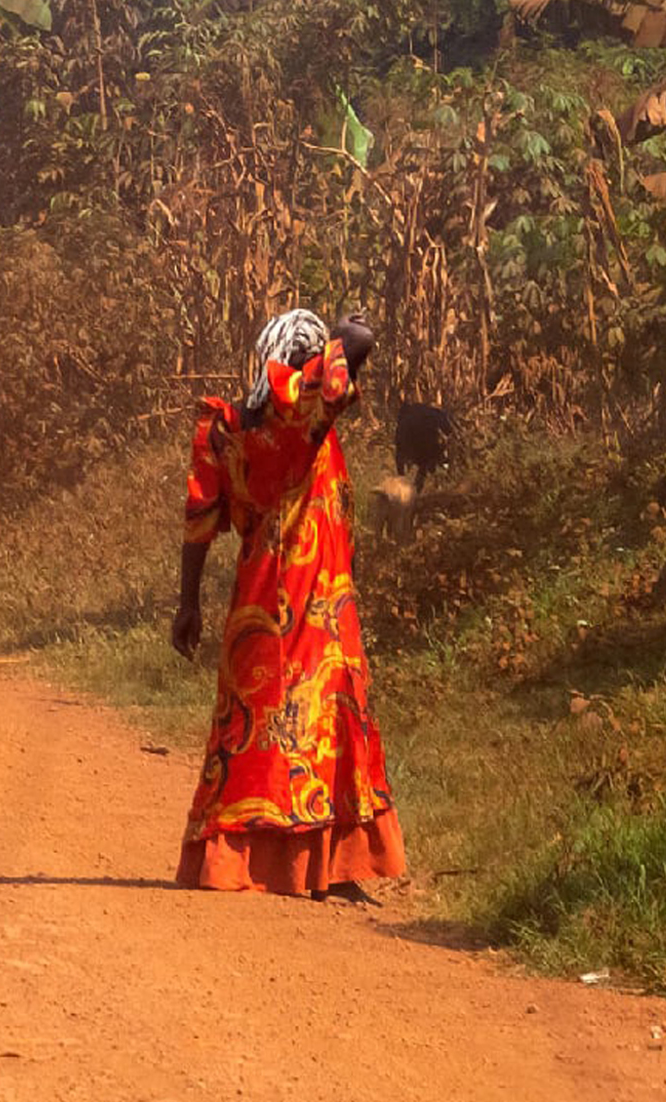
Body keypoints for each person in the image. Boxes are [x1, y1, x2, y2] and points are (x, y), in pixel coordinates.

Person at [173, 308, 405, 899]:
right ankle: (328, 869)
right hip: (315, 595)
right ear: (304, 361)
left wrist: (188, 605)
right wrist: (341, 331)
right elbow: (362, 339)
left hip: (254, 599)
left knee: (251, 728)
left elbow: (199, 523)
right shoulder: (303, 411)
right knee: (327, 719)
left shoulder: (222, 429)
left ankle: (234, 864)